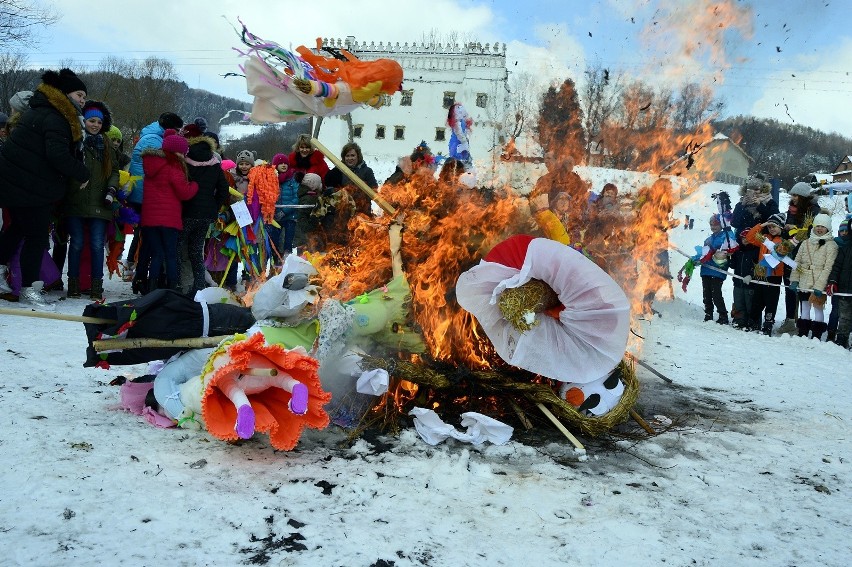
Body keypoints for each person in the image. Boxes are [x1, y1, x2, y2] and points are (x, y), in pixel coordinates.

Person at [0, 69, 90, 310]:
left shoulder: (41, 110)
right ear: (64, 93)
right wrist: (82, 172)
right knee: (36, 238)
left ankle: (1, 274)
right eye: (79, 94)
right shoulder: (56, 117)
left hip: (17, 184)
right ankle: (28, 290)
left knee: (17, 229)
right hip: (30, 187)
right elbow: (57, 155)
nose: (83, 100)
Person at [62, 100, 120, 300]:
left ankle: (96, 285)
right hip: (76, 200)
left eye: (98, 121)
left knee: (96, 244)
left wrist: (111, 190)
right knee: (76, 243)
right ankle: (73, 284)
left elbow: (114, 171)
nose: (95, 124)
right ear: (84, 121)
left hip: (100, 202)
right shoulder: (75, 141)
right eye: (91, 120)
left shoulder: (106, 144)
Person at [127, 111, 184, 291]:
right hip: (148, 197)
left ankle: (144, 280)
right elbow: (157, 171)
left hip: (148, 198)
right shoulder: (155, 141)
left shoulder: (151, 136)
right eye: (177, 130)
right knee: (151, 246)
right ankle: (144, 280)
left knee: (150, 245)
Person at [139, 133, 198, 292]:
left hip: (149, 219)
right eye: (183, 153)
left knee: (157, 254)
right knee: (171, 255)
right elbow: (184, 193)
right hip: (169, 220)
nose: (184, 157)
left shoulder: (151, 165)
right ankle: (172, 288)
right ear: (176, 152)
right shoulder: (174, 167)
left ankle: (152, 288)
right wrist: (194, 185)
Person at [182, 130, 229, 294]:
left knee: (181, 251)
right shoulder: (215, 162)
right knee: (196, 251)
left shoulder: (185, 160)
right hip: (206, 214)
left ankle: (182, 286)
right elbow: (224, 190)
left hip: (186, 211)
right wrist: (214, 206)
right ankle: (199, 287)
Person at [730, 177, 778, 330]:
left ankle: (753, 318)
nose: (754, 193)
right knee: (738, 280)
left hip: (758, 247)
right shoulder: (741, 203)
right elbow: (734, 223)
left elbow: (773, 220)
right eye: (751, 190)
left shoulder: (769, 202)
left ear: (763, 190)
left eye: (757, 190)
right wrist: (742, 205)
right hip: (741, 246)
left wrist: (760, 206)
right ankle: (739, 316)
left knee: (753, 283)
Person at [777, 181, 822, 334]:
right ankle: (790, 319)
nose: (793, 198)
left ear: (803, 196)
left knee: (804, 290)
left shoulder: (814, 211)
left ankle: (804, 323)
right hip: (790, 254)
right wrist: (786, 233)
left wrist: (795, 230)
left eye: (796, 195)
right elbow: (788, 230)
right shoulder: (792, 210)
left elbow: (812, 232)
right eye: (792, 195)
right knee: (790, 288)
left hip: (806, 255)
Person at [789, 213, 838, 340]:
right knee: (804, 306)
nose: (819, 229)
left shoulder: (831, 246)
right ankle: (803, 330)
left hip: (818, 280)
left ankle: (817, 333)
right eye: (817, 226)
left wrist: (820, 286)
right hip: (804, 279)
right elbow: (797, 262)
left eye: (823, 226)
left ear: (828, 228)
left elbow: (828, 267)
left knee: (817, 307)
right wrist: (794, 280)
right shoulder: (805, 243)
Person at [743, 213, 787, 335]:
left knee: (771, 301)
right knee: (757, 300)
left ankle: (768, 324)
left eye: (774, 226)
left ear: (781, 227)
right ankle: (753, 322)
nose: (771, 229)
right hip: (760, 274)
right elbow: (749, 237)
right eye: (770, 227)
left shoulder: (783, 241)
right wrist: (762, 225)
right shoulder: (764, 239)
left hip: (774, 276)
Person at [694, 214, 736, 324]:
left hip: (717, 270)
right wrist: (697, 259)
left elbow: (727, 248)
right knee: (706, 293)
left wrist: (714, 250)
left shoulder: (726, 236)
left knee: (716, 293)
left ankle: (723, 315)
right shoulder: (708, 239)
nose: (713, 227)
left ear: (721, 225)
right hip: (706, 270)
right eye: (711, 225)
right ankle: (708, 313)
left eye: (716, 225)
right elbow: (704, 253)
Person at [324, 142, 377, 217]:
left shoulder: (367, 171)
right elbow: (328, 184)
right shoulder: (338, 171)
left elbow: (374, 190)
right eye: (347, 156)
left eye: (352, 155)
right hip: (342, 210)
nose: (350, 158)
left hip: (361, 210)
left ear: (358, 156)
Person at [268, 153, 299, 263]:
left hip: (290, 216)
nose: (283, 165)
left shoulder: (292, 179)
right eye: (280, 163)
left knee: (288, 242)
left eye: (285, 163)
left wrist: (284, 211)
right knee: (275, 242)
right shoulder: (271, 180)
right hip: (275, 217)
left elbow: (296, 197)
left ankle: (287, 263)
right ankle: (275, 262)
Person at [826, 219, 852, 349]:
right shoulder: (846, 248)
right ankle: (842, 337)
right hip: (845, 287)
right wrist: (832, 280)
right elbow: (837, 266)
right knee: (844, 315)